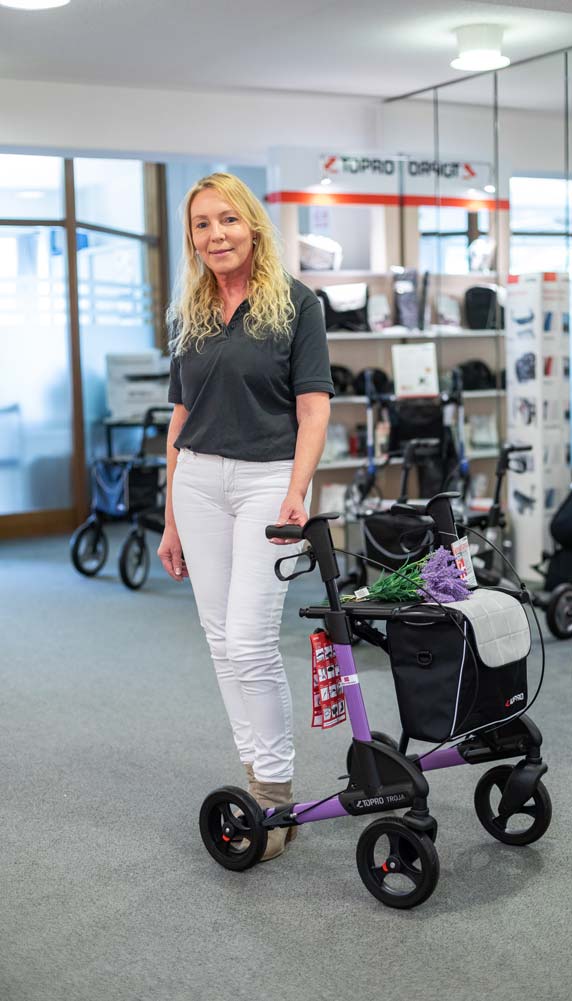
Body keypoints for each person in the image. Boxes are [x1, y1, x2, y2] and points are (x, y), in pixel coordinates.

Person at [158, 172, 333, 861]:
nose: (216, 235)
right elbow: (180, 418)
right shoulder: (190, 311)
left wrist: (298, 489)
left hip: (267, 480)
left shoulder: (296, 304)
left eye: (227, 219)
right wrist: (170, 517)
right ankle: (256, 779)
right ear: (192, 238)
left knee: (252, 640)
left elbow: (313, 408)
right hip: (198, 481)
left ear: (253, 225)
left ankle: (274, 794)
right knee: (220, 639)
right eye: (202, 224)